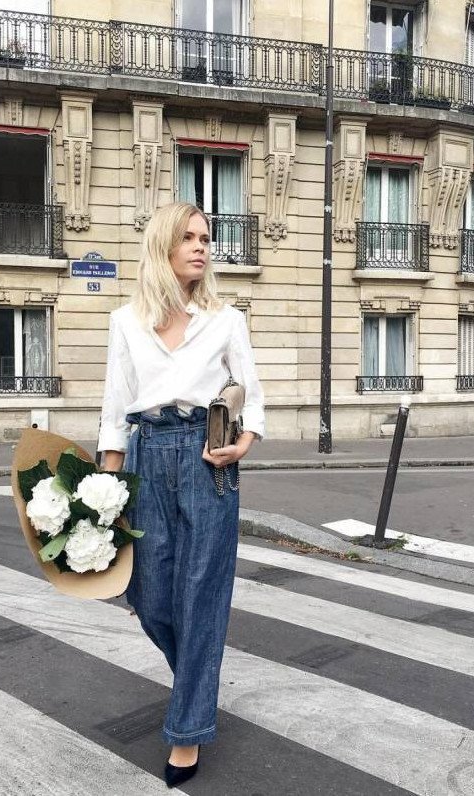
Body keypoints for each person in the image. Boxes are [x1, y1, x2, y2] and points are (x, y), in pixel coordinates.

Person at [97, 202, 265, 788]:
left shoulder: (226, 319)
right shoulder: (126, 321)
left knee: (201, 594)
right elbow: (115, 407)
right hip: (146, 452)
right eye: (188, 237)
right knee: (148, 593)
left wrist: (242, 444)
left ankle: (187, 730)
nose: (200, 247)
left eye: (205, 238)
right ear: (162, 245)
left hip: (205, 457)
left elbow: (252, 395)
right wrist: (106, 488)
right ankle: (198, 680)